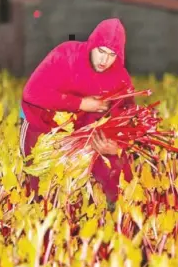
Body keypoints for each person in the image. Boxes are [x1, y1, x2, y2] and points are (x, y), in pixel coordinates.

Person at [19, 18, 134, 208]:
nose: (104, 60)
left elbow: (127, 116)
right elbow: (31, 93)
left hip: (79, 129)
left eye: (112, 55)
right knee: (38, 184)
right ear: (92, 45)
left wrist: (116, 146)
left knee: (103, 177)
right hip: (40, 120)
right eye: (101, 51)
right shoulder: (66, 55)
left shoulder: (119, 78)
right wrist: (82, 103)